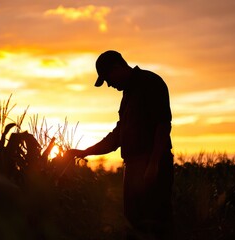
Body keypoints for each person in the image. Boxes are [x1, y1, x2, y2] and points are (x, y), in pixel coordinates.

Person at [65, 50, 174, 240]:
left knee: (155, 224)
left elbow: (163, 124)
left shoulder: (150, 82)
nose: (109, 84)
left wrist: (154, 164)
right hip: (134, 168)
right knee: (135, 225)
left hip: (152, 166)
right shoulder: (128, 96)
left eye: (108, 78)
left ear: (117, 68)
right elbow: (117, 137)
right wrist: (85, 152)